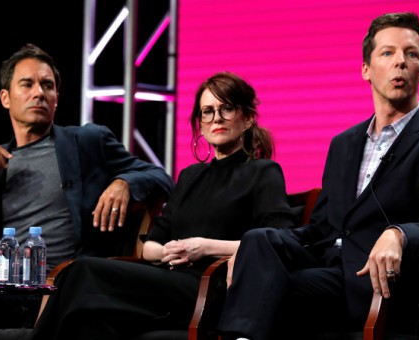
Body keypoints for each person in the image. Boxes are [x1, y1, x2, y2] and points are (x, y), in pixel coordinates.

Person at [217, 12, 419, 340]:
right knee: (257, 241)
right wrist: (253, 252)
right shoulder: (344, 143)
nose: (401, 62)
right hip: (329, 266)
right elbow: (323, 227)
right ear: (366, 69)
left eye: (412, 54)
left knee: (264, 292)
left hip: (380, 283)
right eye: (388, 53)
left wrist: (400, 234)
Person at [0, 43, 174, 339]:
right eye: (27, 84)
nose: (39, 92)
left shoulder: (87, 141)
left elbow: (160, 177)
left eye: (47, 85)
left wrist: (124, 182)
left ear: (56, 98)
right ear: (5, 98)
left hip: (58, 285)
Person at [30, 71, 298, 340]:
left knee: (81, 270)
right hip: (165, 277)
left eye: (227, 108)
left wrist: (204, 247)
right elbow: (149, 246)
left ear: (248, 118)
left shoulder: (263, 172)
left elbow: (278, 239)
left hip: (208, 285)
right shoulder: (190, 176)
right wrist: (168, 251)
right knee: (89, 319)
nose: (216, 118)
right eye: (208, 111)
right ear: (200, 124)